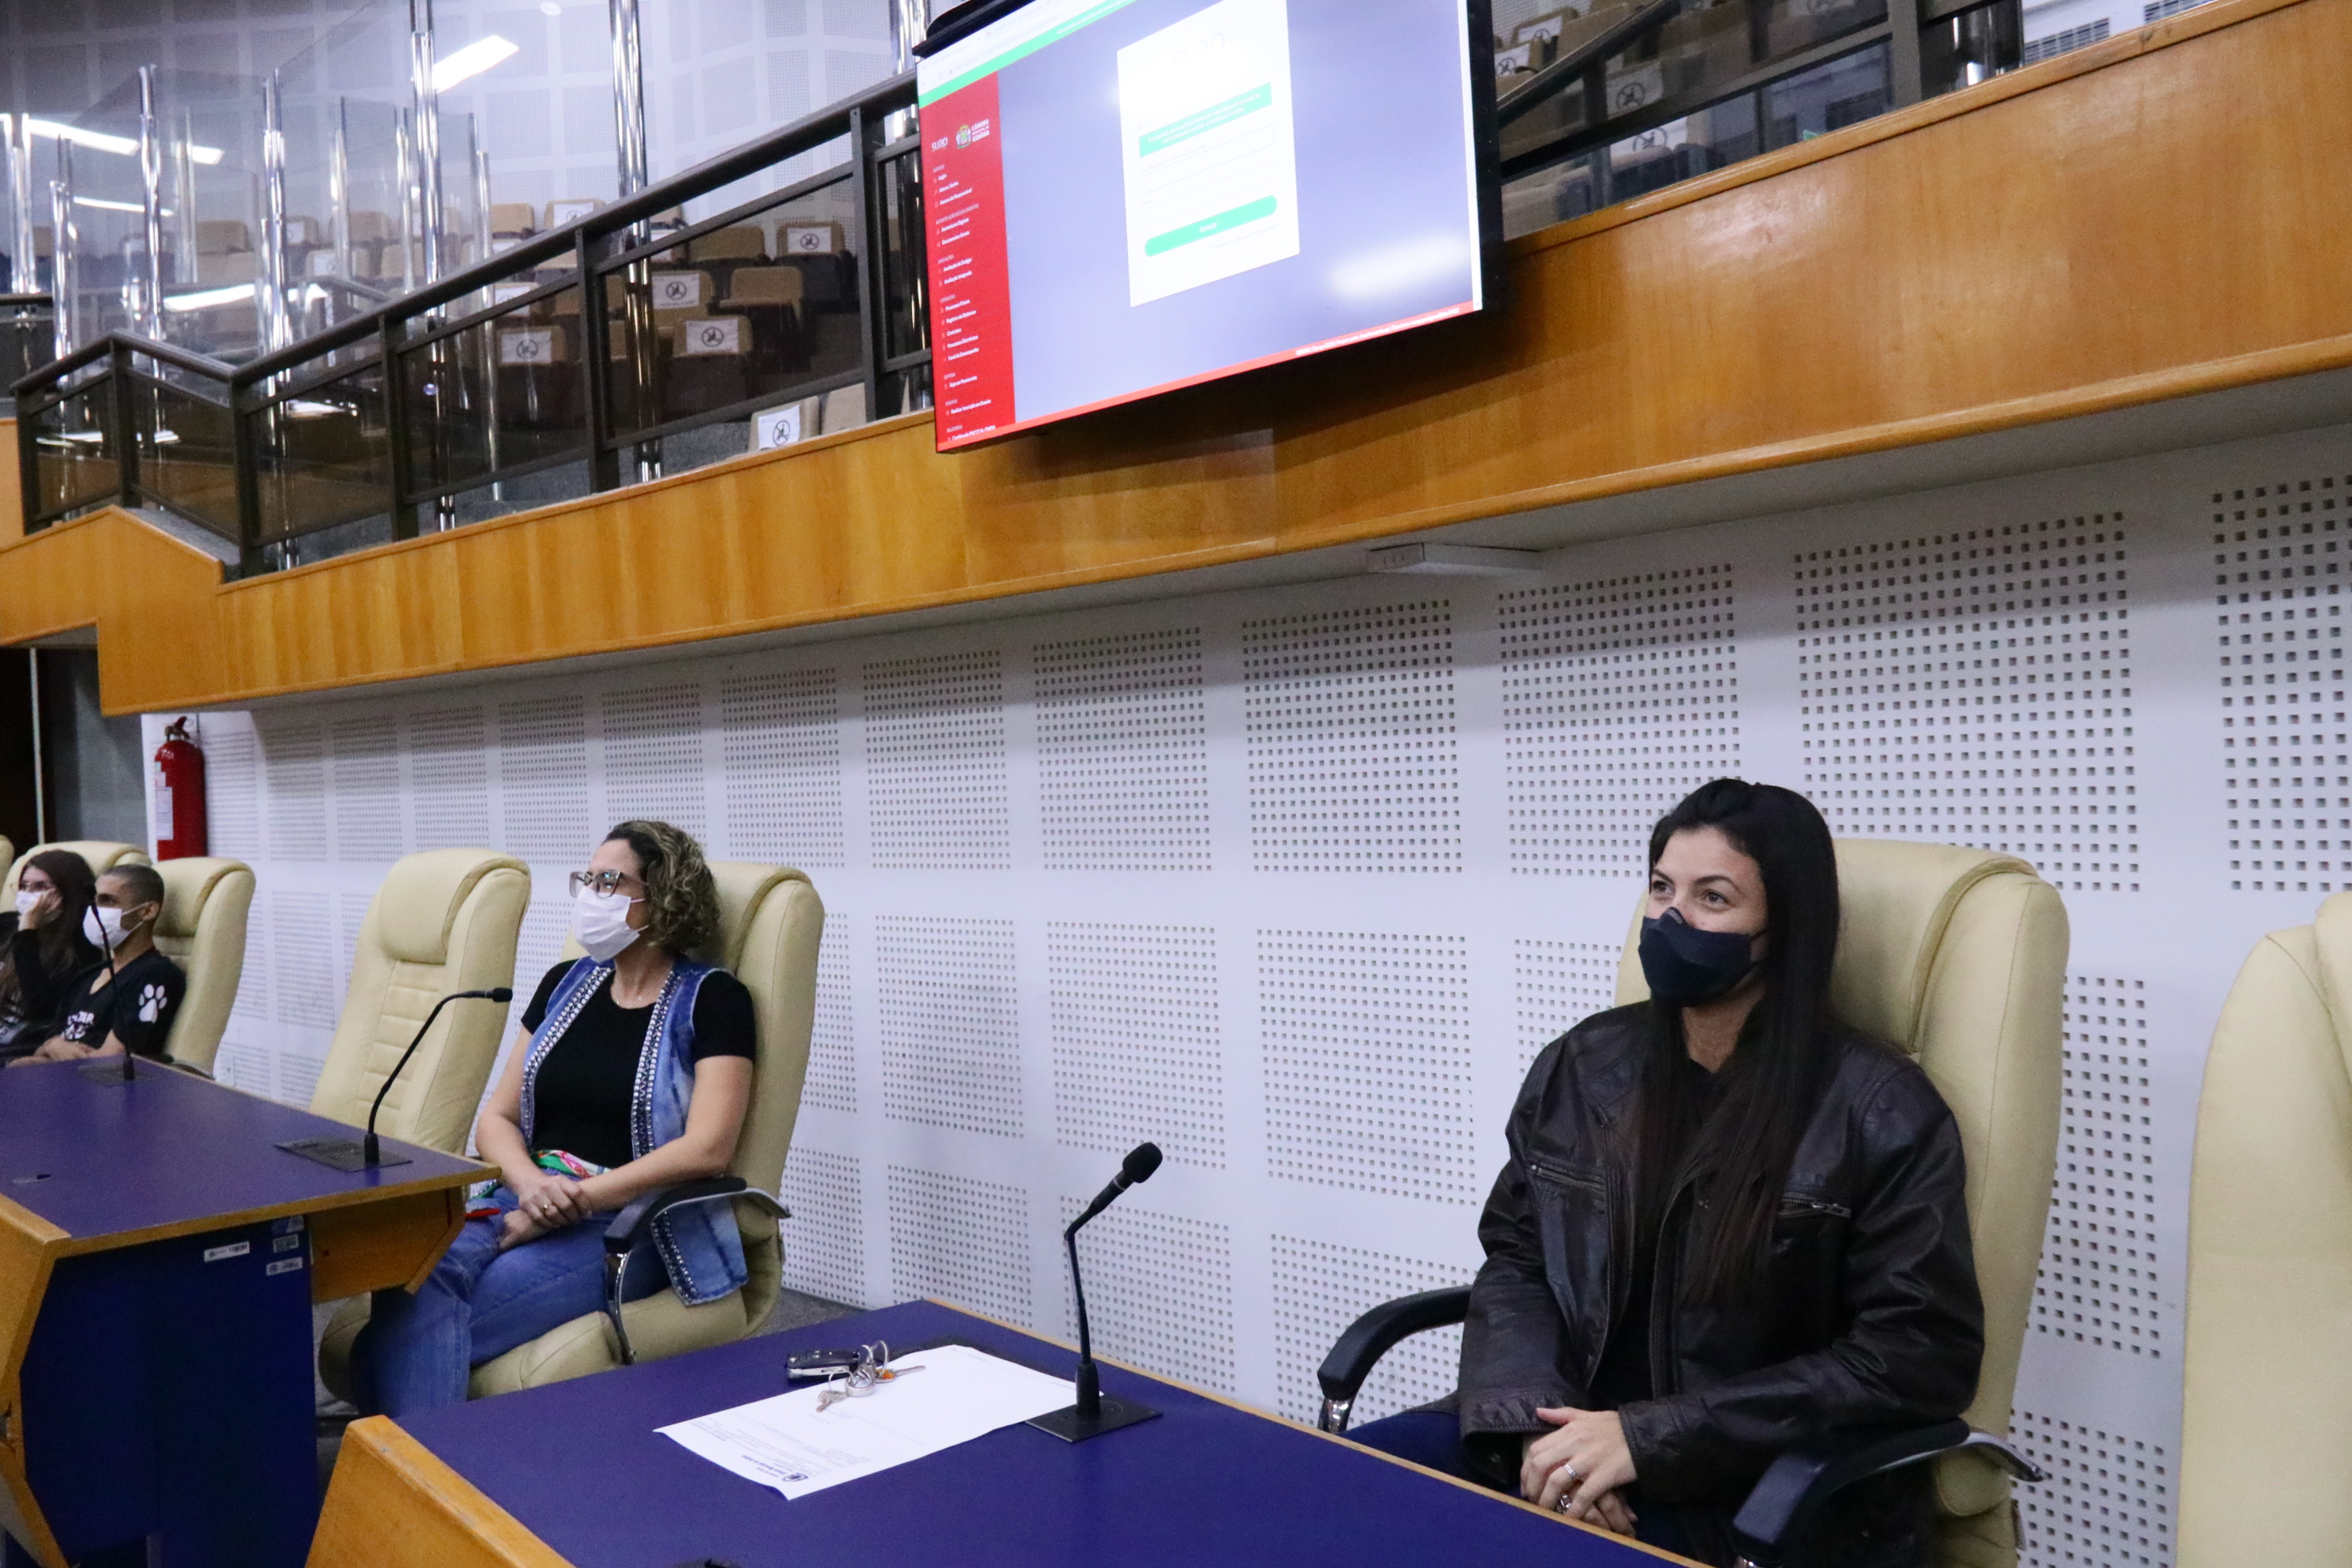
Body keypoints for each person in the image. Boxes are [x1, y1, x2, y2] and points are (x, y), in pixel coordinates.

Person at [1348, 779, 1981, 1568]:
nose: (1671, 919)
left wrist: (1643, 1440)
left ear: (1785, 928)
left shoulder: (1881, 1109)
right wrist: (1540, 1432)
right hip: (1559, 1438)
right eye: (1661, 888)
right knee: (1326, 1495)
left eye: (1712, 898)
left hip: (1751, 1491)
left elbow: (1914, 1356)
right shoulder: (1584, 1065)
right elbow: (1518, 1261)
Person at [351, 820, 759, 1415]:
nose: (591, 895)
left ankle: (424, 1464)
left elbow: (708, 1149)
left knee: (401, 1338)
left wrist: (576, 1201)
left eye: (609, 882)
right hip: (528, 1194)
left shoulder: (715, 1000)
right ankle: (436, 1461)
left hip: (630, 1226)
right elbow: (497, 1118)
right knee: (412, 1266)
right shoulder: (564, 984)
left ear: (664, 896)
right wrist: (532, 1188)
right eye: (586, 880)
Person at [13, 863, 183, 1065]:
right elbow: (45, 1044)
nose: (95, 910)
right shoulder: (88, 977)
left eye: (107, 901)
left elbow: (111, 1060)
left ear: (147, 911)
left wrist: (53, 1052)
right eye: (94, 901)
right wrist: (52, 1046)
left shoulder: (155, 974)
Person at [0, 850, 101, 1059]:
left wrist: (27, 933)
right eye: (24, 886)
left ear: (68, 893)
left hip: (18, 1047)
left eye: (41, 887)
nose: (29, 894)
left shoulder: (84, 946)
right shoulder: (7, 924)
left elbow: (39, 1010)